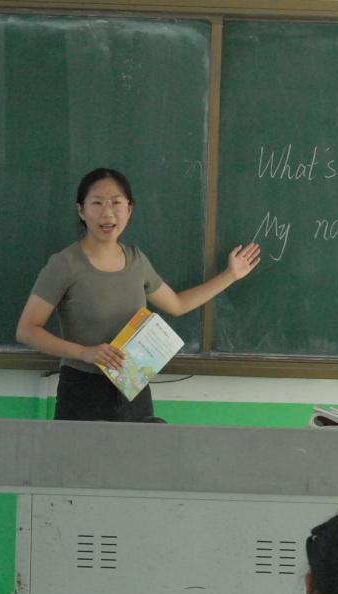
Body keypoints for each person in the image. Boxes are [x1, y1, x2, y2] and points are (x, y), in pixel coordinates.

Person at [16, 166, 261, 421]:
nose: (107, 213)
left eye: (116, 203)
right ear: (81, 210)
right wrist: (84, 352)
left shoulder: (136, 260)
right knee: (82, 461)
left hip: (133, 386)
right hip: (82, 389)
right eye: (97, 203)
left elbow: (177, 304)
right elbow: (27, 330)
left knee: (139, 459)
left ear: (129, 209)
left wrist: (230, 275)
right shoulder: (64, 264)